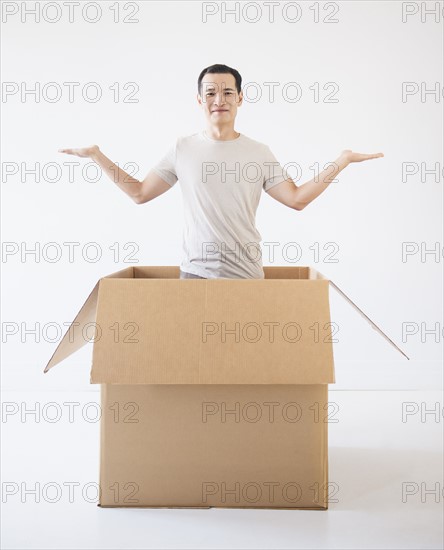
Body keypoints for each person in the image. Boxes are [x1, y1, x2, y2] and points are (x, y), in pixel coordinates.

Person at [58, 63, 383, 280]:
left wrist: (342, 160)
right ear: (200, 100)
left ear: (240, 98)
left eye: (228, 92)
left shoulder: (259, 152)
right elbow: (140, 193)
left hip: (247, 273)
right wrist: (97, 156)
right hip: (196, 273)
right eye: (211, 92)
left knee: (242, 366)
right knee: (199, 365)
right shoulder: (182, 148)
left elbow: (297, 199)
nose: (219, 99)